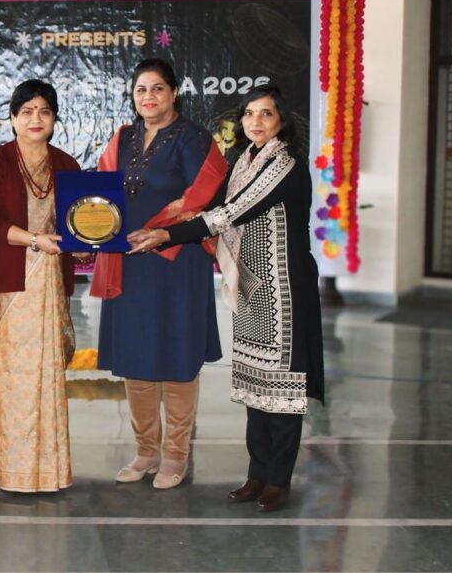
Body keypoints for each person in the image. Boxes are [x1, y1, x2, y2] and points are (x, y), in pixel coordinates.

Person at [127, 84, 324, 511]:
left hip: (284, 290)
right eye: (249, 113)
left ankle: (278, 481)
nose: (256, 122)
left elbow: (228, 214)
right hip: (252, 288)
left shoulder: (285, 163)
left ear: (281, 120)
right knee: (255, 386)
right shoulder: (244, 162)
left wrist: (166, 235)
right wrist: (161, 218)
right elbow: (208, 204)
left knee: (281, 390)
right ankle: (257, 475)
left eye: (266, 114)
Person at [93, 58, 228, 490]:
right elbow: (101, 192)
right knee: (135, 358)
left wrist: (161, 232)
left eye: (157, 88)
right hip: (130, 264)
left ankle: (175, 456)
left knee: (176, 358)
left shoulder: (193, 138)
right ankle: (145, 451)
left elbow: (206, 196)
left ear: (173, 93)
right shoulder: (123, 138)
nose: (148, 97)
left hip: (176, 264)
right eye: (141, 90)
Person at [0, 80, 80, 493]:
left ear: (54, 119)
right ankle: (5, 468)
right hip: (8, 284)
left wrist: (87, 238)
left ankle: (47, 472)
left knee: (46, 375)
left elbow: (81, 220)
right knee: (10, 377)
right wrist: (34, 239)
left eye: (44, 111)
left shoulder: (66, 165)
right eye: (27, 111)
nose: (36, 119)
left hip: (50, 280)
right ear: (13, 118)